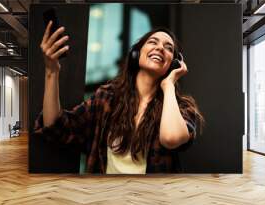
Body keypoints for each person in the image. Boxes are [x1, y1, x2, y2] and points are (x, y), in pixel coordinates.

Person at [35, 21, 204, 174]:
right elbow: (55, 127)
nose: (160, 48)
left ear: (173, 64)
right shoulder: (107, 97)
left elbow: (171, 138)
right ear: (136, 54)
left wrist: (168, 85)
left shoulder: (181, 107)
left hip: (154, 201)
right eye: (153, 42)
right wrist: (51, 72)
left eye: (169, 48)